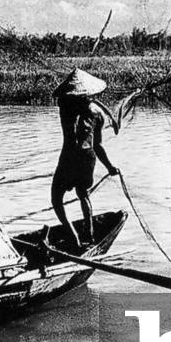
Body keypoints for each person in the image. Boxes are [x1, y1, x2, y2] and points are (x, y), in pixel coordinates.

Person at [51, 68, 118, 249]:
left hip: (68, 157)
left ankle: (73, 236)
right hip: (86, 158)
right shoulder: (96, 113)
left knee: (56, 200)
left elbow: (70, 101)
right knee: (83, 195)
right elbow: (98, 145)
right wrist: (110, 167)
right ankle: (89, 235)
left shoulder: (65, 107)